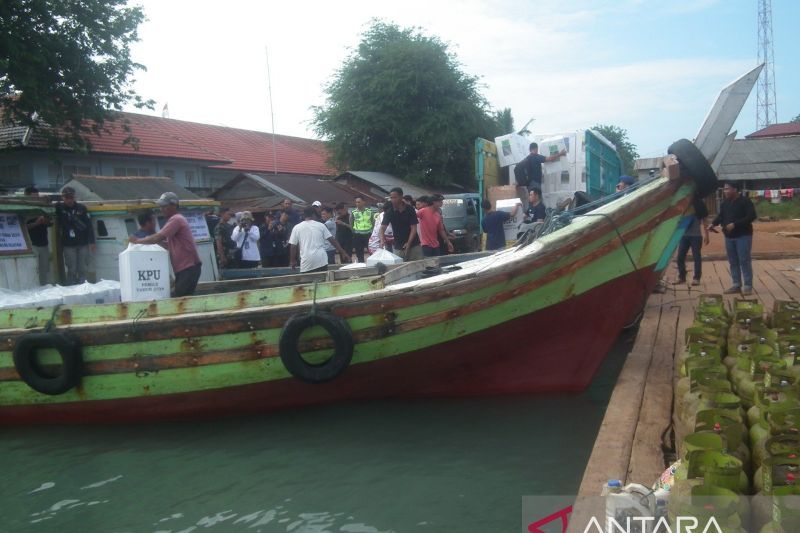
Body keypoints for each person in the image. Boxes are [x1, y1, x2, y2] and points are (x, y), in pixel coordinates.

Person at [129, 192, 202, 297]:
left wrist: (137, 241)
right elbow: (167, 244)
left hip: (188, 267)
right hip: (185, 268)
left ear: (173, 205)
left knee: (178, 300)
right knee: (183, 300)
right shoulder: (175, 220)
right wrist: (152, 239)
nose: (161, 209)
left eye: (164, 206)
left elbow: (158, 237)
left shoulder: (176, 219)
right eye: (161, 206)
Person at [708, 181, 757, 295]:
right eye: (724, 189)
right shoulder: (725, 203)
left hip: (743, 236)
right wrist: (713, 224)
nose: (725, 191)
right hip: (729, 236)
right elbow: (721, 216)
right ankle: (736, 284)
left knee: (744, 260)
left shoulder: (745, 201)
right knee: (733, 261)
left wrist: (735, 224)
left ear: (735, 189)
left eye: (727, 189)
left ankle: (748, 285)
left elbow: (751, 216)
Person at [288, 207, 351, 273]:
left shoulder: (297, 227)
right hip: (321, 260)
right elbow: (332, 240)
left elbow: (293, 246)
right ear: (313, 215)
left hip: (306, 261)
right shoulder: (321, 225)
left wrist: (292, 261)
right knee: (323, 281)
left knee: (308, 281)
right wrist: (343, 252)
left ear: (304, 215)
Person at [55, 186, 95, 285]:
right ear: (63, 198)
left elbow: (89, 226)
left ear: (74, 197)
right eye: (66, 197)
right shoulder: (59, 208)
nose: (69, 200)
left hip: (83, 243)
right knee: (71, 267)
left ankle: (83, 285)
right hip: (68, 244)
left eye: (71, 197)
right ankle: (71, 285)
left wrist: (92, 242)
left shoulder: (82, 208)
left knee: (83, 267)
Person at [674, 195, 710, 286]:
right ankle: (682, 277)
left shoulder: (699, 204)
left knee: (696, 257)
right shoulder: (682, 203)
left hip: (696, 236)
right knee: (680, 257)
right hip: (684, 235)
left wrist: (707, 235)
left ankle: (696, 278)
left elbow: (705, 220)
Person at [380, 187, 420, 260]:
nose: (393, 200)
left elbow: (414, 228)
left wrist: (408, 243)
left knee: (418, 266)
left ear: (401, 197)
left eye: (395, 197)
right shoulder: (389, 211)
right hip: (398, 245)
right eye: (391, 198)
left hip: (414, 244)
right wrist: (382, 240)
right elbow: (382, 228)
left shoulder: (410, 209)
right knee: (399, 267)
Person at [24, 186, 52, 285]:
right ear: (26, 196)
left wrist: (45, 221)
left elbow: (50, 223)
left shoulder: (41, 208)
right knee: (34, 269)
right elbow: (23, 227)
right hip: (32, 245)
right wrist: (36, 223)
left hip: (44, 244)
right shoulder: (23, 209)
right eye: (33, 197)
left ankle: (45, 290)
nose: (35, 199)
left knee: (45, 269)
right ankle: (36, 290)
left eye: (37, 197)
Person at [349, 196, 373, 263]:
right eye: (356, 202)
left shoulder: (370, 211)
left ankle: (372, 264)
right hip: (358, 235)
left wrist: (371, 230)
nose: (357, 204)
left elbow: (373, 222)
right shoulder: (353, 212)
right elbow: (351, 224)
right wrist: (354, 232)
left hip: (368, 234)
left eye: (359, 202)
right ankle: (361, 265)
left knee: (371, 251)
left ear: (364, 202)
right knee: (359, 253)